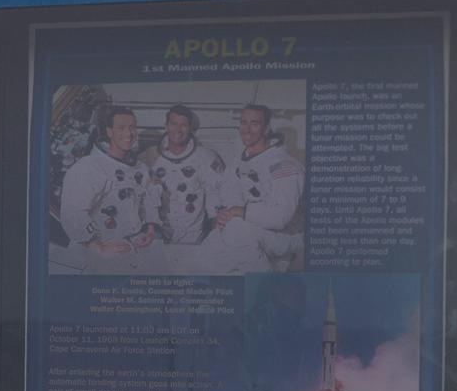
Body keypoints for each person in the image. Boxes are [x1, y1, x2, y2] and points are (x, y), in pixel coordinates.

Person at [59, 106, 160, 257]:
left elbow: (149, 199)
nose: (129, 133)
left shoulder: (140, 168)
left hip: (133, 245)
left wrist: (150, 230)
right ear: (109, 132)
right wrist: (98, 247)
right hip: (99, 249)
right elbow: (72, 212)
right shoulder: (90, 166)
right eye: (121, 128)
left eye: (132, 127)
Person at [212, 103, 304, 268]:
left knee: (236, 231)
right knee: (202, 257)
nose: (247, 129)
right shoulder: (239, 162)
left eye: (254, 123)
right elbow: (228, 192)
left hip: (285, 236)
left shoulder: (285, 165)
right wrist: (224, 214)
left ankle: (264, 285)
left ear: (266, 128)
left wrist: (240, 212)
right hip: (251, 225)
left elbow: (281, 217)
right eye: (243, 122)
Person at [141, 104, 226, 244]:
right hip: (157, 235)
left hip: (194, 239)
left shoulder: (205, 157)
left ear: (190, 128)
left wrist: (215, 229)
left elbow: (215, 194)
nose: (178, 130)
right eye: (173, 124)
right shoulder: (149, 156)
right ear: (166, 126)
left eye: (183, 125)